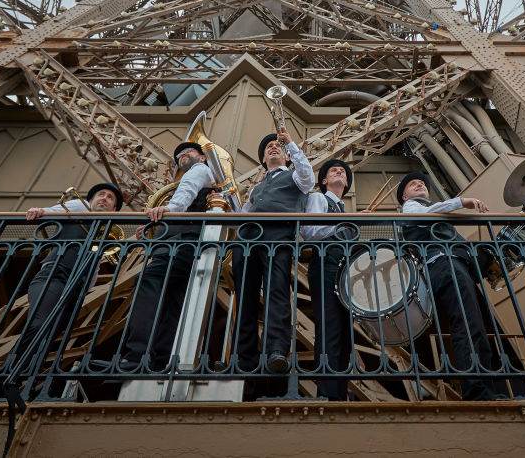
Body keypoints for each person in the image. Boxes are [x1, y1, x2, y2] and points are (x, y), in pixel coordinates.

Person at [0, 182, 124, 400]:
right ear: (91, 200)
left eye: (110, 198)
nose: (104, 199)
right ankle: (4, 385)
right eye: (101, 195)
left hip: (76, 287)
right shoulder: (80, 208)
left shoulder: (104, 231)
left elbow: (95, 269)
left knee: (51, 335)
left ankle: (26, 385)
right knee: (40, 325)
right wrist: (41, 211)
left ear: (114, 210)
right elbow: (55, 211)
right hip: (54, 274)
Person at [397, 172, 504, 401]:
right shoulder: (411, 207)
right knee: (467, 323)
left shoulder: (435, 211)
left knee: (474, 323)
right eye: (412, 184)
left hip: (453, 265)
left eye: (422, 183)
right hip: (443, 264)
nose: (419, 184)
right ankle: (476, 389)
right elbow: (424, 215)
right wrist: (461, 201)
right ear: (404, 196)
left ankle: (485, 386)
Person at [118, 141, 216, 370]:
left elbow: (187, 191)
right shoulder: (200, 177)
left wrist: (167, 212)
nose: (183, 155)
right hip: (191, 242)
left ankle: (136, 355)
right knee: (174, 303)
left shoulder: (199, 170)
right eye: (179, 154)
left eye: (189, 152)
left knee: (149, 283)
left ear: (202, 157)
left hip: (179, 242)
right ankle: (162, 359)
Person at [233, 128, 316, 378]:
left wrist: (290, 144)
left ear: (287, 156)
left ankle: (276, 350)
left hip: (277, 237)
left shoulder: (296, 176)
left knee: (276, 291)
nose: (272, 147)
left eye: (276, 146)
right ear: (262, 160)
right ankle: (243, 357)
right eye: (268, 147)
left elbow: (309, 177)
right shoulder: (256, 189)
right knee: (244, 298)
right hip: (248, 240)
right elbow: (242, 216)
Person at [303, 158, 355, 400]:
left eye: (343, 172)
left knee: (346, 334)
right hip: (325, 265)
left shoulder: (344, 210)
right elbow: (310, 231)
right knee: (330, 327)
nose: (339, 172)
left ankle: (339, 394)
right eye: (334, 170)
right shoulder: (319, 198)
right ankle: (327, 394)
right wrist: (344, 224)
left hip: (345, 271)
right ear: (324, 180)